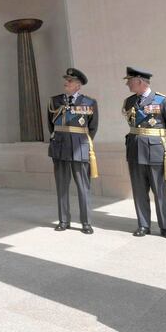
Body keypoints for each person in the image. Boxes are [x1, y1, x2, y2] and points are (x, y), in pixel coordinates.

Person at [122, 67, 166, 239]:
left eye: (129, 81)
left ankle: (164, 227)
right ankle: (143, 225)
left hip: (155, 151)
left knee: (160, 191)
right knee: (139, 191)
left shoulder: (164, 101)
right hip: (135, 151)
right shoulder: (129, 101)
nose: (127, 84)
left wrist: (157, 142)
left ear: (139, 81)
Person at [47, 68, 98, 234]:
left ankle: (86, 222)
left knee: (83, 186)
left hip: (79, 147)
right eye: (66, 80)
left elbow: (92, 128)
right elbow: (50, 125)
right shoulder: (54, 101)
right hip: (60, 146)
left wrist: (80, 141)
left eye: (69, 81)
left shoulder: (89, 103)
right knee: (61, 186)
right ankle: (63, 220)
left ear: (78, 85)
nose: (65, 83)